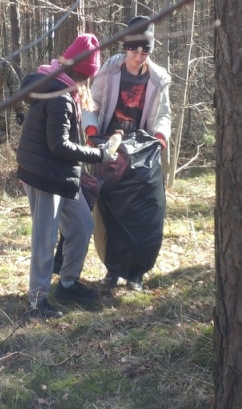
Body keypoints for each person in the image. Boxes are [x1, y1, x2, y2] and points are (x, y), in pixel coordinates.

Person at [17, 33, 112, 319]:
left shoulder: (64, 90)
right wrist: (99, 155)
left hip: (61, 175)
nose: (89, 83)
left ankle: (68, 284)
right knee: (44, 239)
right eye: (89, 77)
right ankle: (37, 303)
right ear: (81, 73)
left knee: (82, 225)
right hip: (44, 177)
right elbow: (59, 146)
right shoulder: (58, 95)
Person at [81, 16, 172, 291]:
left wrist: (160, 137)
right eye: (134, 49)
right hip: (109, 148)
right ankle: (112, 268)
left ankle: (136, 272)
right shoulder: (109, 70)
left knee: (141, 212)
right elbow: (92, 102)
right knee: (109, 209)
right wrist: (91, 128)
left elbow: (163, 114)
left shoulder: (158, 78)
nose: (138, 55)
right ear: (125, 47)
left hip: (142, 151)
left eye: (145, 51)